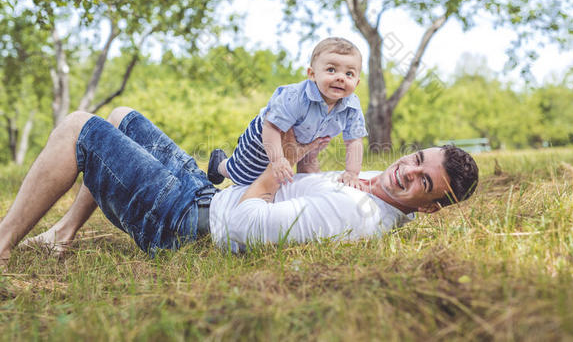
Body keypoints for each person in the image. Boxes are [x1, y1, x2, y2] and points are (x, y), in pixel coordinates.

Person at [0, 107, 478, 263]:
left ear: (431, 207)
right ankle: (63, 234)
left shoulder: (360, 214)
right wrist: (305, 160)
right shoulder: (375, 186)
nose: (407, 172)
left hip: (188, 221)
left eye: (423, 182)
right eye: (417, 160)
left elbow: (247, 229)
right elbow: (307, 196)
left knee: (78, 127)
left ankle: (3, 244)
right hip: (211, 195)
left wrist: (278, 165)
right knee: (123, 116)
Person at [207, 37, 367, 190]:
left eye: (349, 74)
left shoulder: (352, 106)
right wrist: (277, 159)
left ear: (357, 82)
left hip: (309, 140)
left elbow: (354, 141)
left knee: (309, 171)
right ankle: (220, 165)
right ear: (312, 74)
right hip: (267, 134)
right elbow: (271, 126)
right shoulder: (296, 97)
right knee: (245, 176)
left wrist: (352, 173)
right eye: (331, 70)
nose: (340, 78)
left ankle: (304, 191)